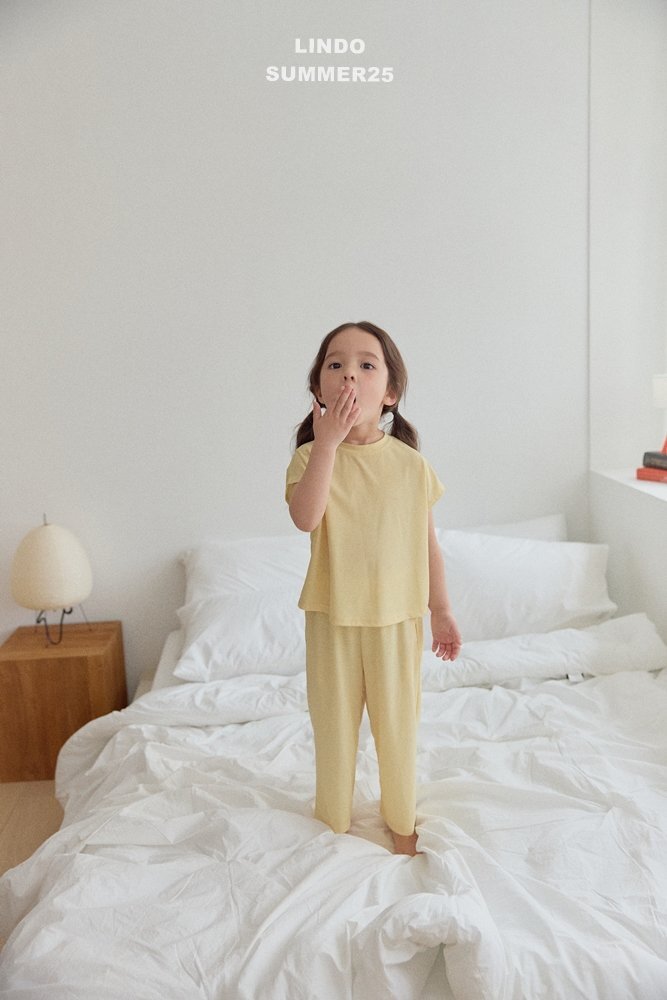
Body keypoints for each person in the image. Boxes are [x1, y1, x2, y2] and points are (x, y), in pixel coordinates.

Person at [285, 321, 461, 856]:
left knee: (398, 730)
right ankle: (332, 823)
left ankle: (402, 823)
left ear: (389, 392)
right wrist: (327, 444)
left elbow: (428, 545)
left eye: (366, 365)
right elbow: (305, 517)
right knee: (334, 730)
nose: (349, 376)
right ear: (318, 388)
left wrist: (442, 610)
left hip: (396, 621)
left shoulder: (411, 465)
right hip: (332, 620)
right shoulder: (310, 458)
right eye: (335, 365)